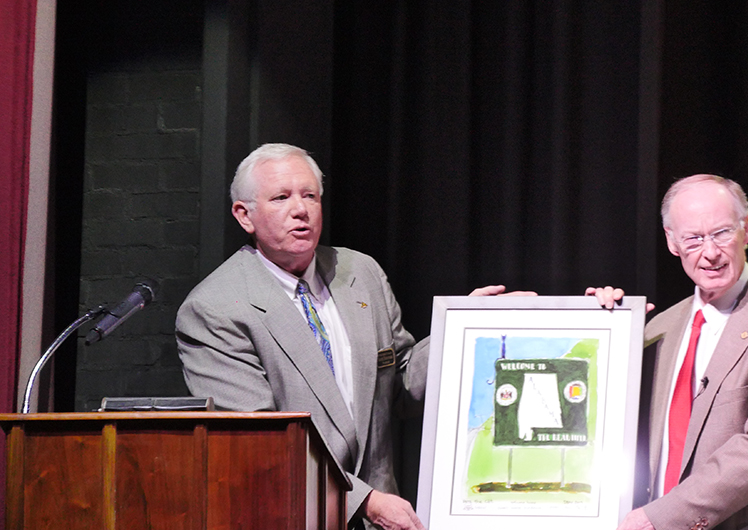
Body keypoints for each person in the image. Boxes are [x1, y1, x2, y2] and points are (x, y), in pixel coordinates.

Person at [176, 143, 530, 530]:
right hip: (291, 517)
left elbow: (401, 385)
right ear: (245, 215)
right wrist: (363, 501)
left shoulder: (360, 273)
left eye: (310, 195)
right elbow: (261, 445)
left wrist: (467, 328)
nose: (301, 209)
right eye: (281, 197)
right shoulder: (215, 308)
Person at [587, 174, 748, 530]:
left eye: (721, 233)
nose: (709, 253)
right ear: (672, 242)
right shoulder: (658, 329)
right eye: (693, 238)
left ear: (746, 230)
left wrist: (661, 518)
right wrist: (598, 332)